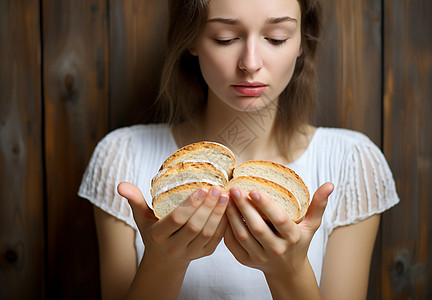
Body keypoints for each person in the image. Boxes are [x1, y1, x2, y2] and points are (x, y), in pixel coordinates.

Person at [78, 0, 399, 299]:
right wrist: (163, 261)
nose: (250, 63)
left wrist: (289, 271)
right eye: (224, 38)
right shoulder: (122, 156)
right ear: (191, 39)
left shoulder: (352, 161)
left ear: (302, 41)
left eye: (276, 38)